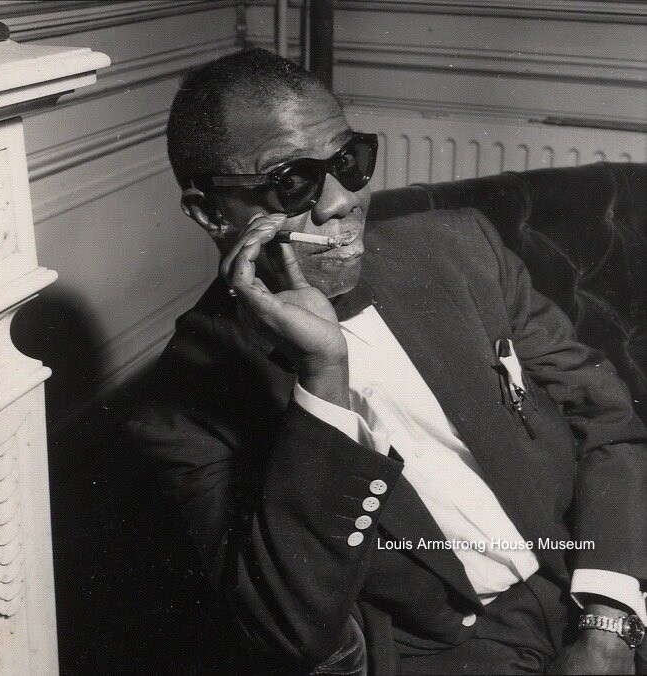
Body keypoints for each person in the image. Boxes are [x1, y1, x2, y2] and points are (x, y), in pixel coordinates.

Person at [128, 48, 647, 675]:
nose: (341, 202)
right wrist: (323, 379)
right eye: (292, 182)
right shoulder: (178, 409)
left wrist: (608, 620)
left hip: (597, 578)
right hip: (453, 651)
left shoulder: (461, 250)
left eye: (350, 161)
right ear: (212, 213)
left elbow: (609, 425)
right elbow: (288, 628)